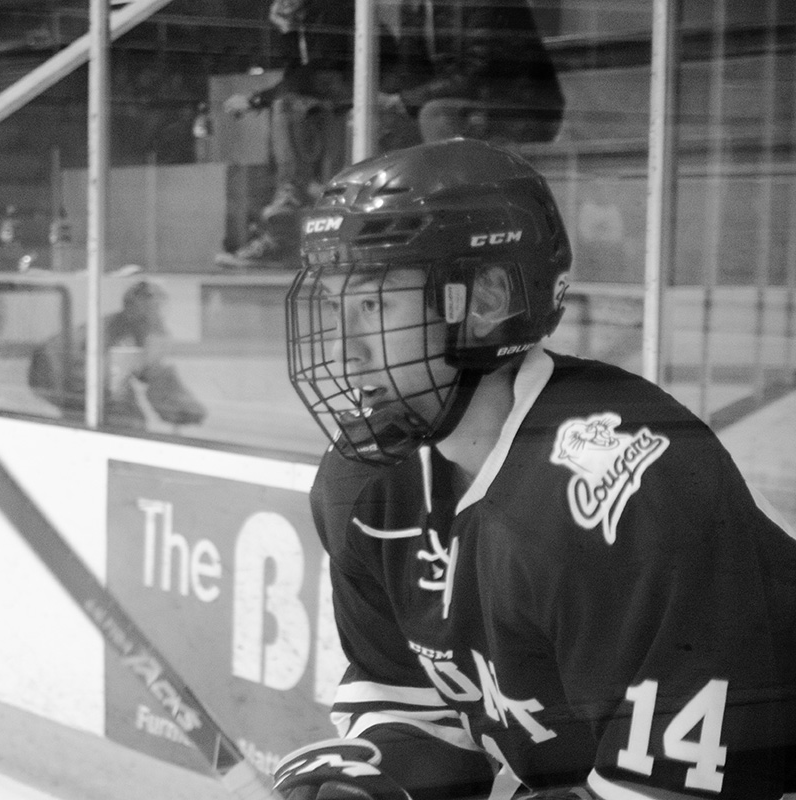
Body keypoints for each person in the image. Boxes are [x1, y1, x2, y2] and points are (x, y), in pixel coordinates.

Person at [278, 139, 796, 800]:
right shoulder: (366, 485)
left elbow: (670, 788)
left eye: (374, 307)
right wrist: (381, 783)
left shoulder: (628, 489)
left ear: (489, 297)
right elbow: (414, 708)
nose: (347, 352)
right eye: (333, 306)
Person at [217, 0, 564, 270]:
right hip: (437, 97)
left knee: (432, 114)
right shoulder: (416, 7)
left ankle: (457, 231)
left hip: (520, 104)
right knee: (369, 116)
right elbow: (406, 71)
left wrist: (400, 100)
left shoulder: (475, 4)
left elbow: (483, 73)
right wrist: (385, 102)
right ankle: (373, 233)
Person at [28, 279, 207, 431]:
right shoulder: (119, 333)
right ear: (134, 307)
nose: (156, 313)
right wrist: (180, 407)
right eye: (151, 307)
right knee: (129, 419)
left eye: (158, 307)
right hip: (56, 378)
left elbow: (152, 374)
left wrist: (184, 406)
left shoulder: (133, 327)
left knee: (128, 415)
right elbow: (142, 377)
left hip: (68, 378)